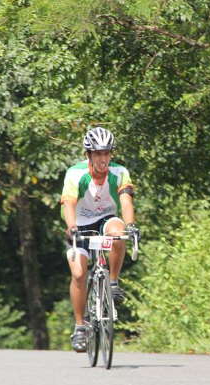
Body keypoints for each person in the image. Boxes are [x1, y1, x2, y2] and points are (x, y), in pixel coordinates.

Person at [61, 127, 139, 352]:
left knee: (119, 232)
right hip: (79, 223)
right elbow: (69, 203)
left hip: (106, 218)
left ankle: (112, 282)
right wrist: (72, 228)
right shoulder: (75, 173)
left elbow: (126, 201)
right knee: (78, 274)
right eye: (98, 154)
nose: (103, 158)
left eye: (106, 153)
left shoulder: (120, 172)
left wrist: (131, 225)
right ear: (89, 154)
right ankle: (80, 327)